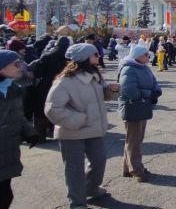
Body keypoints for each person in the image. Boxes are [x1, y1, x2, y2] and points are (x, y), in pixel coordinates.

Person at [44, 44, 119, 209]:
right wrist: (79, 120)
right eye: (94, 54)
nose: (98, 56)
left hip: (94, 129)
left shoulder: (95, 75)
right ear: (84, 57)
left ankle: (90, 188)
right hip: (71, 132)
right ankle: (77, 203)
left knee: (99, 160)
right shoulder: (65, 81)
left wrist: (112, 90)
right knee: (74, 170)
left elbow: (104, 96)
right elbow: (52, 109)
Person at [0, 50, 39, 209]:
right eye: (16, 64)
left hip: (7, 152)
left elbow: (17, 114)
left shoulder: (12, 87)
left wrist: (29, 132)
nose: (21, 67)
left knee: (5, 195)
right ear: (1, 68)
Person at [118, 45, 162, 182]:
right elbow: (129, 89)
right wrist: (148, 94)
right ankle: (136, 170)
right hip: (133, 107)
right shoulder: (129, 69)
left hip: (142, 106)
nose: (148, 57)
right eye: (146, 55)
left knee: (135, 139)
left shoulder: (143, 67)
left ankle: (128, 168)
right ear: (137, 56)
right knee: (134, 141)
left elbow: (154, 82)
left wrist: (156, 91)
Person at [27, 36, 71, 142]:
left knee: (41, 111)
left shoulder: (47, 55)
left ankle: (40, 136)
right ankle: (57, 132)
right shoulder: (70, 58)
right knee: (61, 109)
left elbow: (37, 73)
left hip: (46, 86)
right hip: (65, 86)